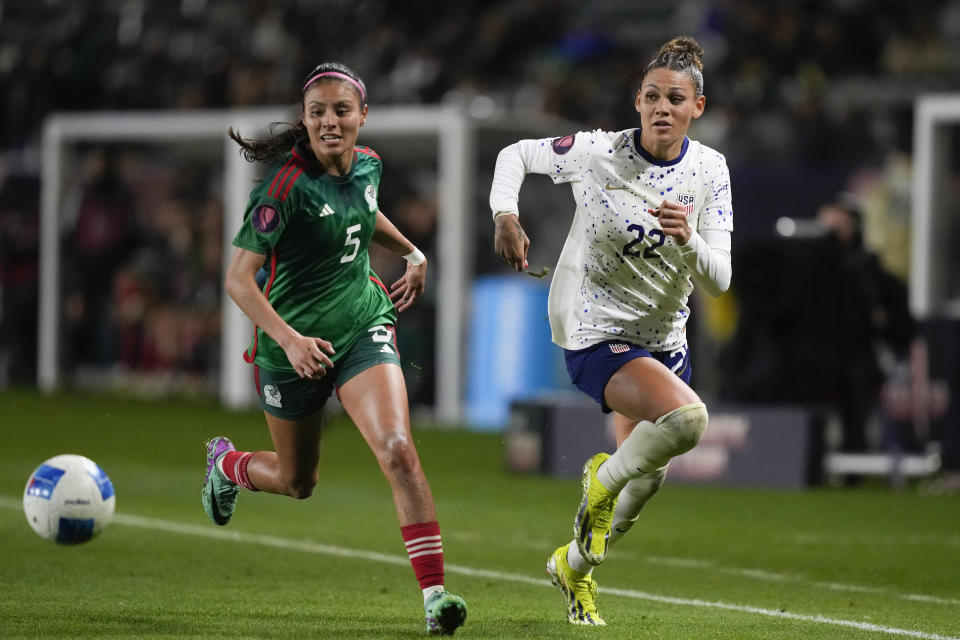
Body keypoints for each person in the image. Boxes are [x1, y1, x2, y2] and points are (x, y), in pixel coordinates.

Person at [203, 62, 466, 635]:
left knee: (397, 448)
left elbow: (364, 214)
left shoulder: (368, 165)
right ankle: (227, 466)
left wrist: (414, 253)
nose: (329, 121)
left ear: (362, 116)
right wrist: (290, 340)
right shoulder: (284, 189)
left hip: (361, 327)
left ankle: (435, 597)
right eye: (317, 112)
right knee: (299, 483)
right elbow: (238, 280)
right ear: (305, 118)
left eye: (340, 110)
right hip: (291, 348)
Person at [488, 36, 732, 626]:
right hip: (595, 330)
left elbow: (720, 278)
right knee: (689, 420)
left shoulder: (710, 171)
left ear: (697, 106)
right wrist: (505, 213)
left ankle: (572, 566)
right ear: (638, 102)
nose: (662, 108)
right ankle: (600, 476)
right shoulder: (598, 153)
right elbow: (515, 155)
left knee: (641, 486)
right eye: (652, 96)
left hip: (663, 342)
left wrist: (688, 239)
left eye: (676, 98)